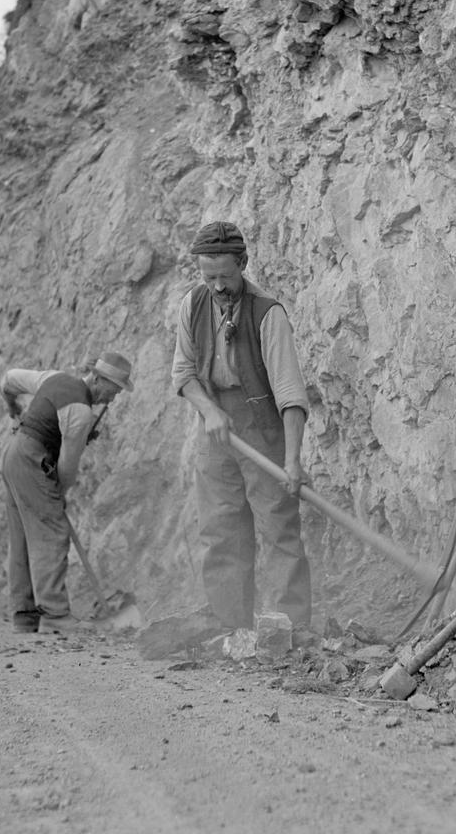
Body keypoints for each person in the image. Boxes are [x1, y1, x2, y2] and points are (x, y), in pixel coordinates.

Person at [171, 221, 312, 630]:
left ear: (244, 264)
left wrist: (291, 460)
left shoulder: (268, 313)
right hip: (214, 426)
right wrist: (210, 411)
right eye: (208, 276)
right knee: (220, 529)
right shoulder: (193, 304)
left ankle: (292, 631)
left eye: (225, 276)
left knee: (278, 531)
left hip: (263, 428)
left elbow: (290, 395)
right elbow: (183, 374)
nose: (216, 286)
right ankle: (230, 629)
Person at [0, 352, 134, 634]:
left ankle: (25, 616)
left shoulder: (54, 378)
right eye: (113, 390)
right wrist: (54, 496)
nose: (113, 398)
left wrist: (13, 408)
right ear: (97, 379)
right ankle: (55, 615)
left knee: (23, 536)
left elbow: (9, 379)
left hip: (13, 454)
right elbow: (67, 469)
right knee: (52, 531)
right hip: (31, 461)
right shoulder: (81, 413)